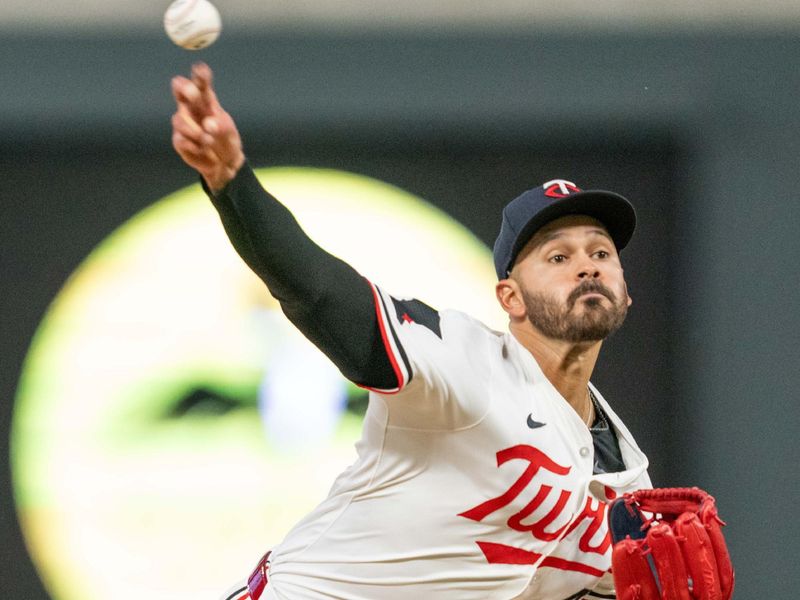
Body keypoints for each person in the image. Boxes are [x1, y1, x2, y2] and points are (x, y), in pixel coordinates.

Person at [170, 62, 651, 600]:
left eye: (601, 253)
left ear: (625, 291)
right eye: (558, 256)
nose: (586, 267)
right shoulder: (464, 362)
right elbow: (321, 294)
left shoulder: (625, 474)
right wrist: (232, 182)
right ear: (509, 298)